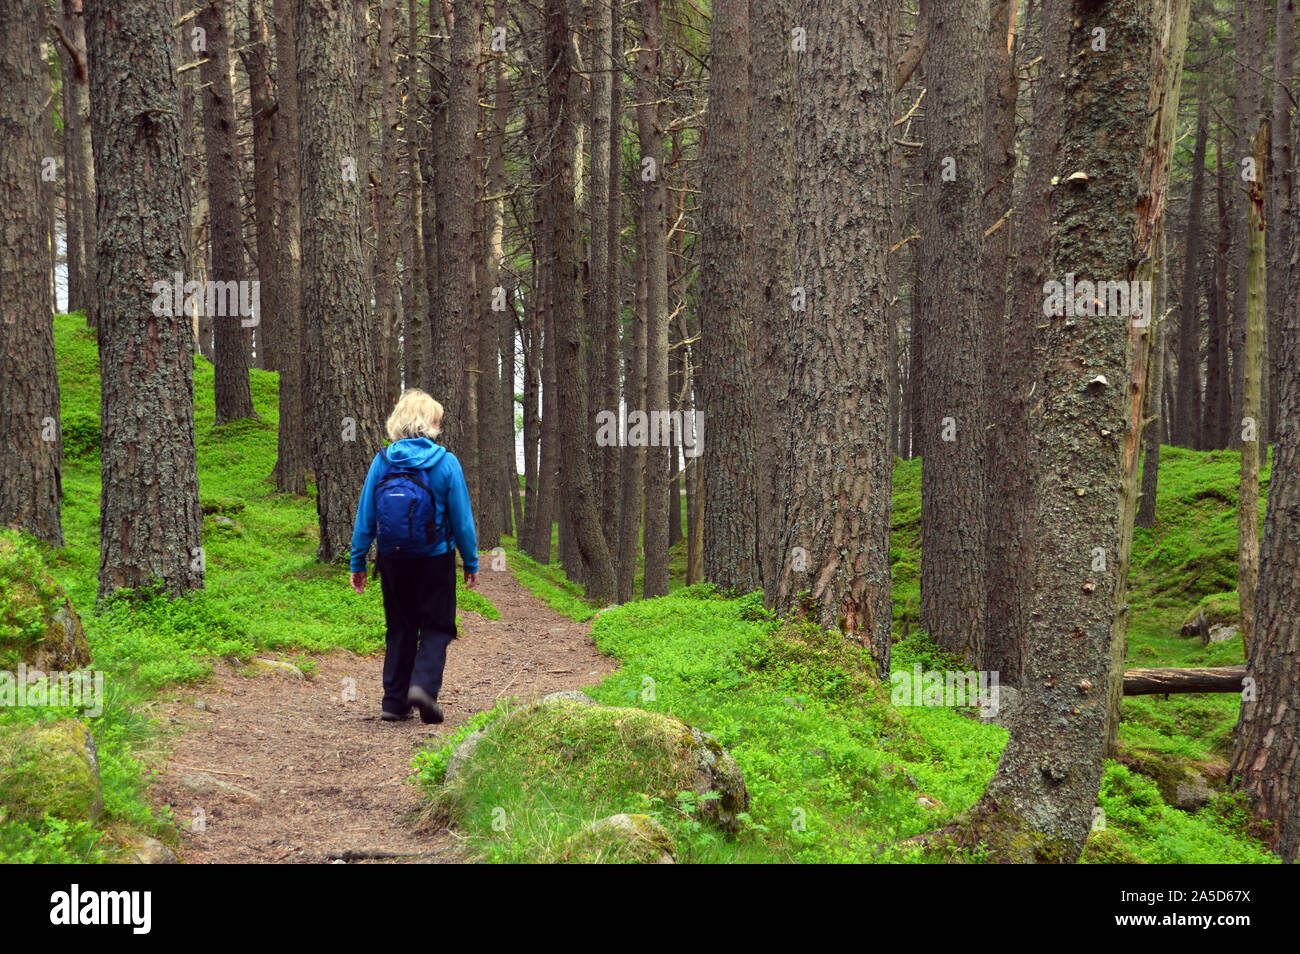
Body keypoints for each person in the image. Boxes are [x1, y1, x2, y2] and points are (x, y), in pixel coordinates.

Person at [348, 389, 478, 723]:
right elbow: (461, 520)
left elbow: (367, 516)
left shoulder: (383, 460)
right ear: (430, 423)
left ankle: (393, 702)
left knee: (400, 627)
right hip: (435, 558)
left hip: (392, 559)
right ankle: (422, 686)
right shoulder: (445, 462)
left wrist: (358, 561)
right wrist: (470, 561)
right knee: (437, 626)